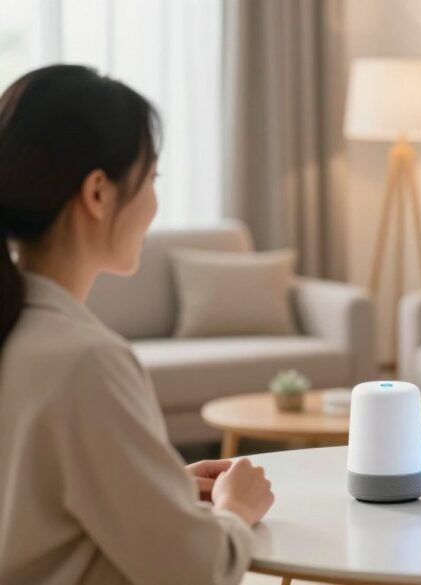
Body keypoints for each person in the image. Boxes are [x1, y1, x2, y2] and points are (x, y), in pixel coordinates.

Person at [0, 65, 274, 584]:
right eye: (151, 179)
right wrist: (237, 510)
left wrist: (162, 487)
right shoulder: (85, 361)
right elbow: (194, 571)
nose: (154, 203)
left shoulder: (20, 331)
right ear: (98, 193)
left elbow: (34, 511)